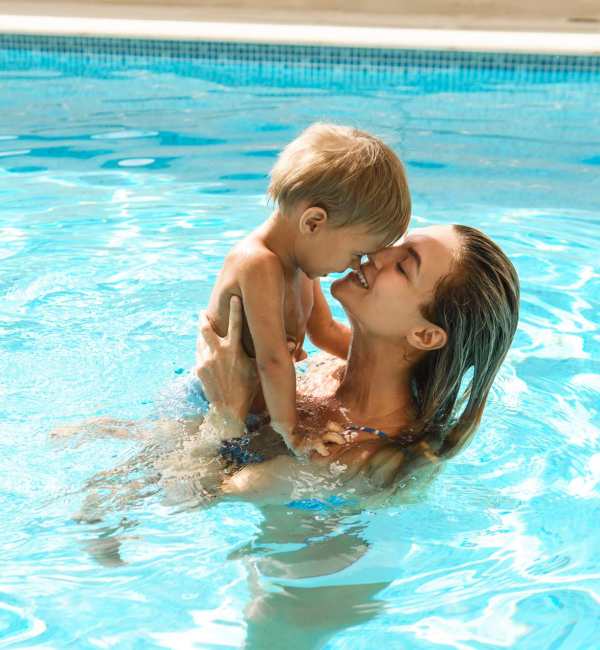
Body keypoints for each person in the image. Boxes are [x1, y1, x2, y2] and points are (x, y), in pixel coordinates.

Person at [196, 224, 520, 501]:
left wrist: (225, 415)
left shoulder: (357, 463)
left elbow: (194, 498)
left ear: (424, 335)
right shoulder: (326, 369)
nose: (377, 254)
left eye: (404, 265)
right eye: (398, 244)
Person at [204, 122, 410, 454]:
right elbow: (272, 362)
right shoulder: (259, 265)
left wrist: (400, 368)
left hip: (261, 404)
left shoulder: (301, 263)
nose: (357, 266)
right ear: (313, 222)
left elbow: (325, 331)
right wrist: (294, 432)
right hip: (209, 400)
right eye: (357, 253)